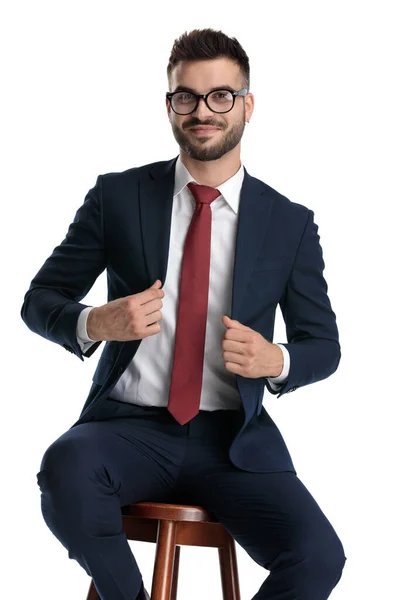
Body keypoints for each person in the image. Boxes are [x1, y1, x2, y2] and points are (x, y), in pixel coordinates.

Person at [21, 27, 346, 600]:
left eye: (221, 95)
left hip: (234, 444)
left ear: (247, 105)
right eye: (186, 97)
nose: (204, 111)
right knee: (64, 470)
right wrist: (96, 322)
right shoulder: (117, 197)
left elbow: (323, 346)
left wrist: (278, 359)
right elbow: (39, 300)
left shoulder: (289, 223)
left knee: (318, 556)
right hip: (128, 428)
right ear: (168, 106)